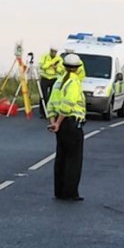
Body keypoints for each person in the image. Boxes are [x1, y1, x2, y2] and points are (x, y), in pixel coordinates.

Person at [46, 52, 87, 200]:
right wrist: (58, 122)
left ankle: (59, 191)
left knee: (61, 158)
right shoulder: (74, 83)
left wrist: (54, 123)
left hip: (60, 125)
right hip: (71, 123)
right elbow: (68, 105)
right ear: (77, 67)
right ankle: (70, 192)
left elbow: (50, 104)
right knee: (73, 160)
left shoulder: (58, 81)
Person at [38, 47, 64, 119]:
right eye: (52, 52)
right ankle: (43, 112)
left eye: (55, 52)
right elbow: (42, 66)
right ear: (50, 51)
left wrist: (56, 68)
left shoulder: (59, 59)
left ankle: (52, 112)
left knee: (53, 97)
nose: (53, 53)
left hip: (54, 78)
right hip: (45, 78)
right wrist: (50, 64)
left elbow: (61, 71)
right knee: (43, 96)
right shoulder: (44, 57)